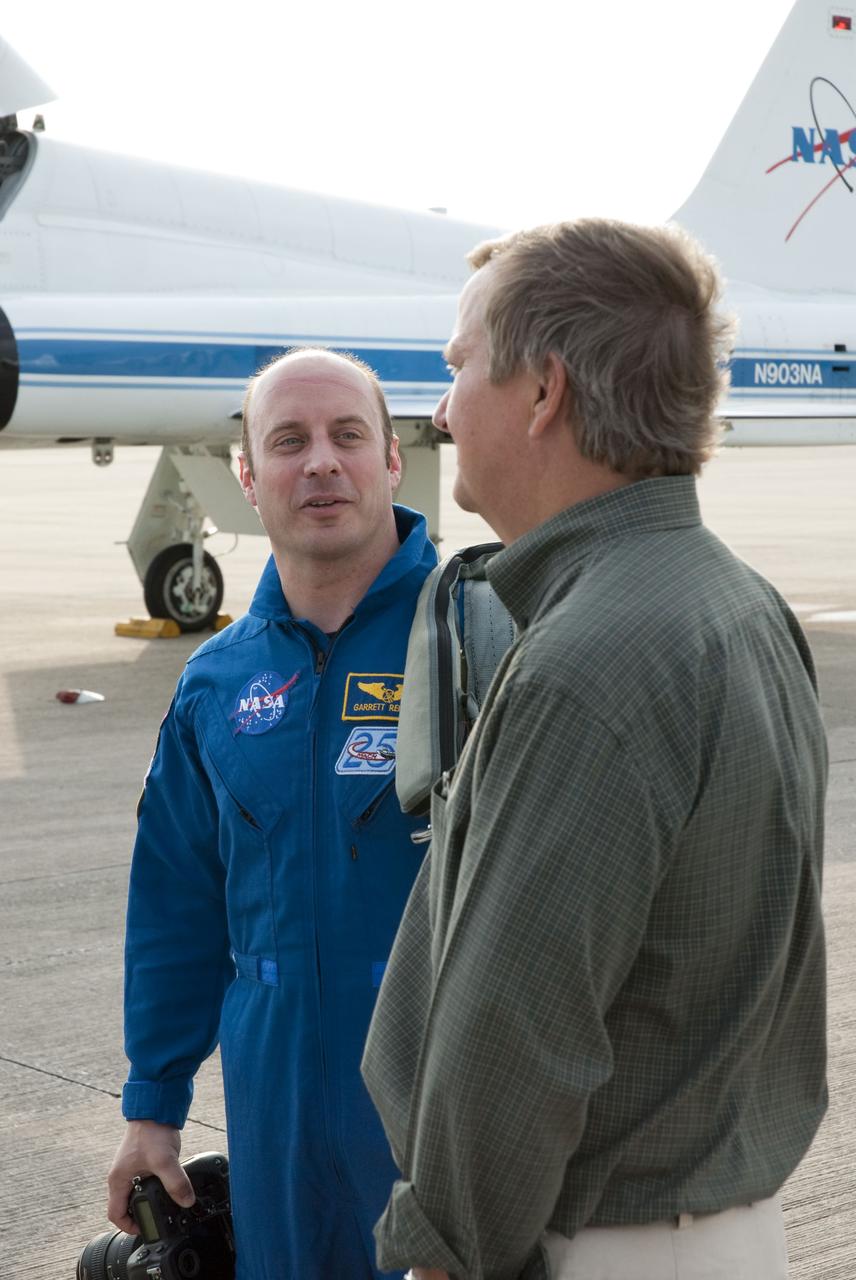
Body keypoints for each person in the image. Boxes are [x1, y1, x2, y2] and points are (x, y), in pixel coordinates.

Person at [362, 220, 828, 1280]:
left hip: (597, 1246)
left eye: (460, 366)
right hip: (714, 1234)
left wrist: (445, 1251)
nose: (443, 410)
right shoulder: (737, 603)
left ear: (544, 392)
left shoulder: (590, 656)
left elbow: (516, 1033)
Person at [107, 347, 438, 1280]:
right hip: (274, 1109)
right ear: (248, 478)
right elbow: (175, 907)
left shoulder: (472, 639)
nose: (321, 461)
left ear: (391, 460)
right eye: (288, 441)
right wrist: (152, 1106)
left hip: (438, 1099)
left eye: (348, 436)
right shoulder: (217, 683)